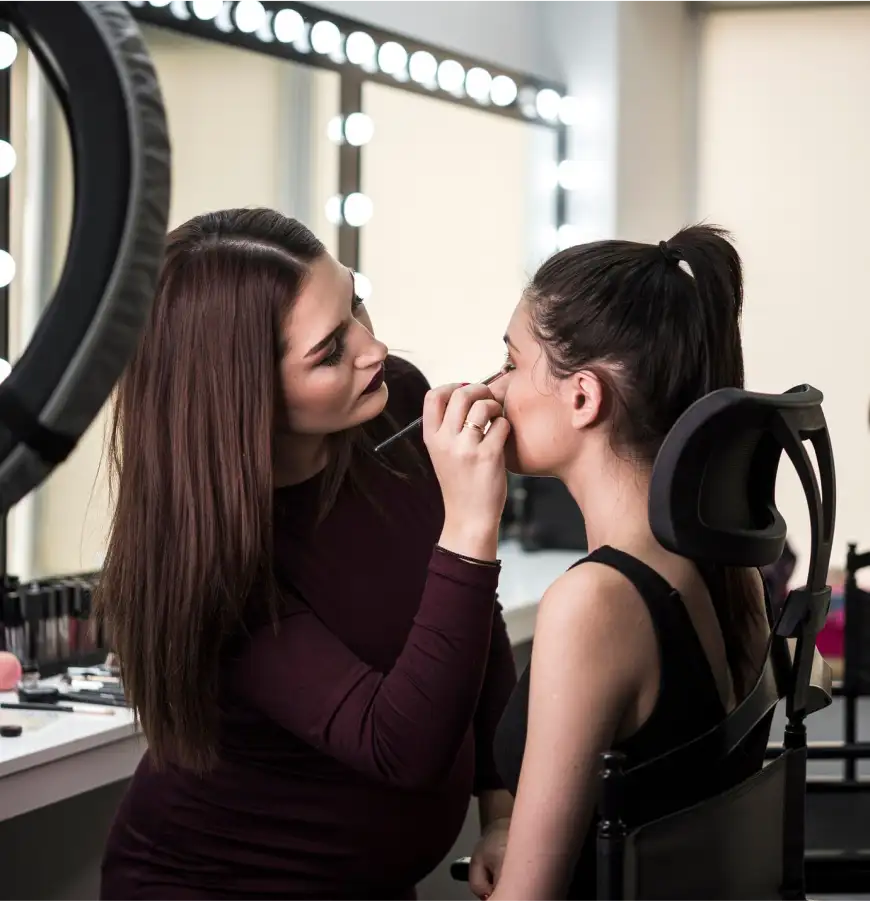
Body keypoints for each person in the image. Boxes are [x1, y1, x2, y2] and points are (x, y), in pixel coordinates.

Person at [95, 208, 517, 901]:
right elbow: (399, 748)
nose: (373, 348)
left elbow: (470, 620)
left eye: (355, 303)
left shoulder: (391, 402)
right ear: (245, 397)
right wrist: (472, 524)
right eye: (328, 352)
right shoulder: (219, 571)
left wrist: (501, 808)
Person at [473, 227, 773, 901]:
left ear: (583, 396)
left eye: (510, 363)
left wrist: (465, 520)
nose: (493, 387)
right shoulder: (728, 566)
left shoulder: (594, 603)